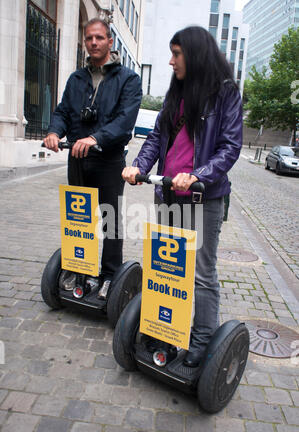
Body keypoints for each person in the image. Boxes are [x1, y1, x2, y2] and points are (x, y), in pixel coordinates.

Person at [122, 26, 243, 367]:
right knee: (168, 268)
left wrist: (197, 176)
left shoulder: (225, 93)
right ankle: (166, 327)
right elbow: (156, 137)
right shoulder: (176, 90)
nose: (171, 61)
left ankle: (203, 338)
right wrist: (138, 166)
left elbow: (230, 147)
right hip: (168, 194)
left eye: (177, 54)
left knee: (202, 273)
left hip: (203, 197)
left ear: (195, 54)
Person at [44, 18, 142, 299]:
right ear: (85, 42)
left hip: (109, 161)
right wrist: (54, 131)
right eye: (89, 38)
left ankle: (110, 275)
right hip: (77, 160)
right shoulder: (76, 78)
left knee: (110, 221)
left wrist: (96, 138)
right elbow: (63, 111)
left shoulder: (128, 79)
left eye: (99, 38)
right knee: (78, 219)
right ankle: (80, 269)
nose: (94, 43)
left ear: (110, 42)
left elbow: (125, 121)